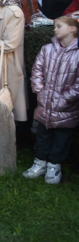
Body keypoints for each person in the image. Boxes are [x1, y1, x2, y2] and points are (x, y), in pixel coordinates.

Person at [24, 16, 79, 184]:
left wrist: (65, 100)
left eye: (59, 26)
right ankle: (40, 162)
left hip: (66, 109)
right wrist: (39, 92)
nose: (54, 30)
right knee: (42, 135)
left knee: (61, 139)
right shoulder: (47, 49)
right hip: (44, 105)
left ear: (72, 29)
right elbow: (37, 71)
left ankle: (54, 166)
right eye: (54, 26)